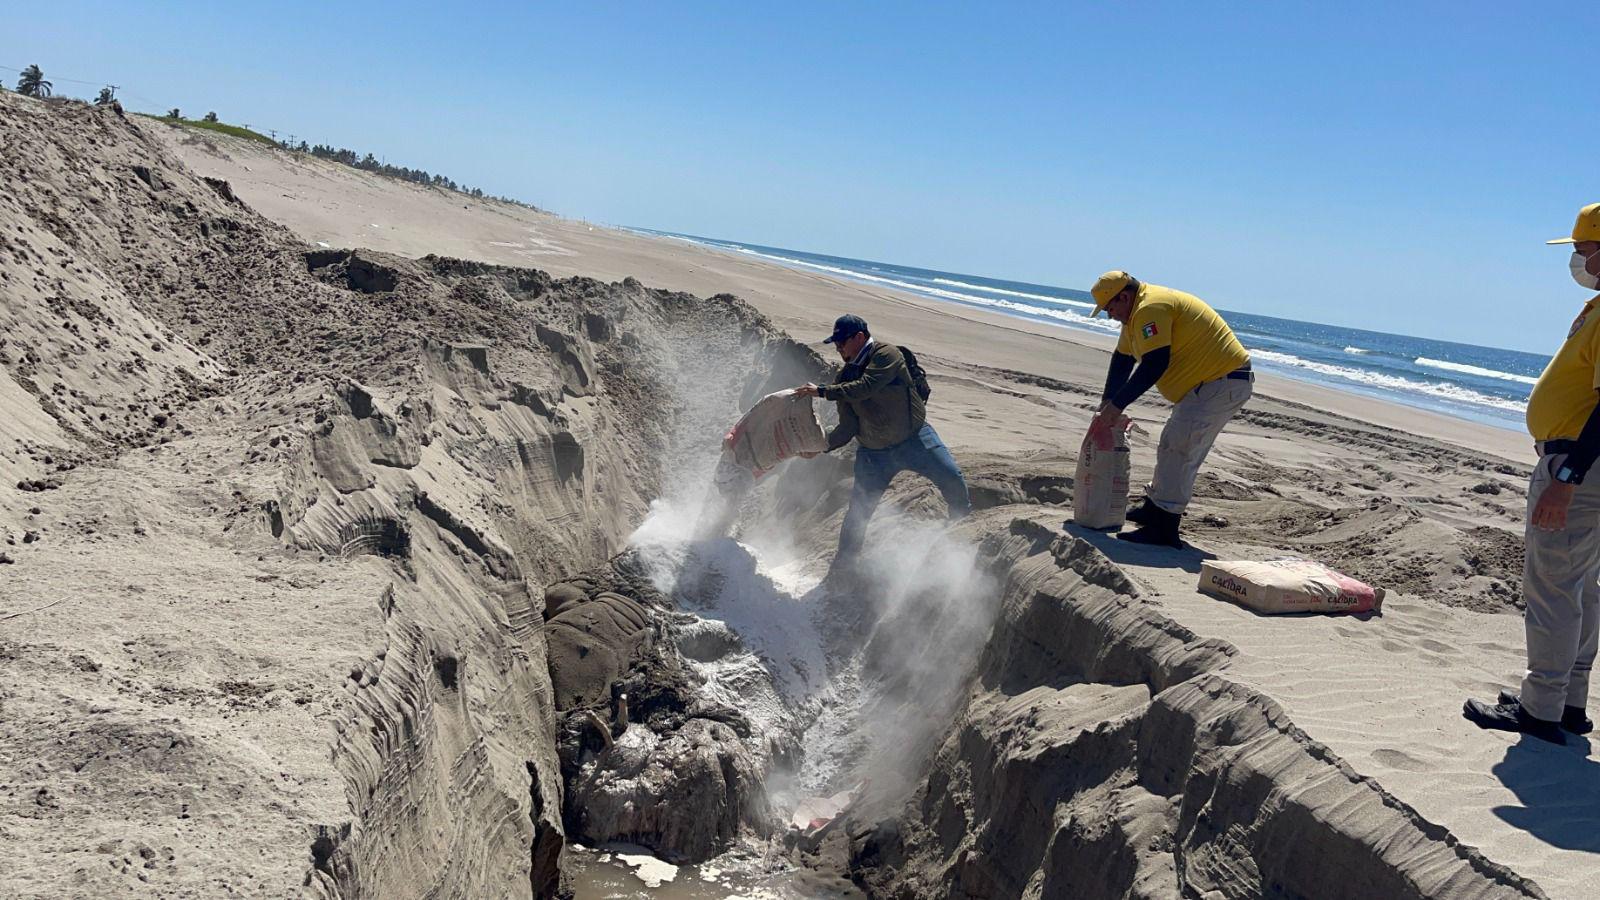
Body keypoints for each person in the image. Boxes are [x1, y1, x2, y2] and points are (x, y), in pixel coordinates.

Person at [1464, 203, 1600, 745]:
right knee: (1582, 587)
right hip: (1583, 465)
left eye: (1582, 250)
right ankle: (1567, 701)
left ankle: (1541, 708)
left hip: (1578, 466)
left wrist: (1565, 478)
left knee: (1553, 588)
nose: (1576, 259)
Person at [1085, 271, 1253, 547]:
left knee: (1181, 448)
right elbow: (1123, 360)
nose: (1109, 315)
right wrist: (1107, 401)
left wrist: (1117, 407)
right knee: (1171, 443)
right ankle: (1154, 509)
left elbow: (1154, 363)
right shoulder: (1135, 315)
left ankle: (1164, 528)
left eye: (1110, 308)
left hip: (1222, 382)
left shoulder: (1151, 308)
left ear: (1124, 297)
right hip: (1207, 386)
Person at [795, 314, 970, 564]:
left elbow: (867, 386)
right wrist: (822, 447)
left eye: (842, 341)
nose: (838, 348)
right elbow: (848, 426)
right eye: (835, 343)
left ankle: (962, 536)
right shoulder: (843, 379)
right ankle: (844, 566)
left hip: (916, 439)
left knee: (953, 479)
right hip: (873, 454)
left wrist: (822, 391)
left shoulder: (887, 355)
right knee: (858, 513)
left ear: (859, 337)